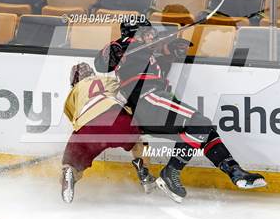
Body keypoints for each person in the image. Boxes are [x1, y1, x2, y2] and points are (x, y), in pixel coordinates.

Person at [94, 19, 267, 203]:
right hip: (147, 101)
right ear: (135, 34)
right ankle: (171, 171)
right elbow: (102, 62)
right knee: (200, 124)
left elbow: (153, 55)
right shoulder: (126, 46)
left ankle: (235, 172)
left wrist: (170, 51)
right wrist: (111, 52)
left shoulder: (147, 53)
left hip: (153, 105)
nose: (152, 35)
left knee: (203, 131)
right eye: (147, 33)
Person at [61, 62, 156, 203]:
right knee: (138, 141)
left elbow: (75, 123)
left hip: (89, 127)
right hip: (117, 118)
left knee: (70, 163)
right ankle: (145, 172)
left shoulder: (73, 92)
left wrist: (80, 148)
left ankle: (70, 174)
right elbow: (126, 97)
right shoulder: (108, 80)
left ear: (74, 81)